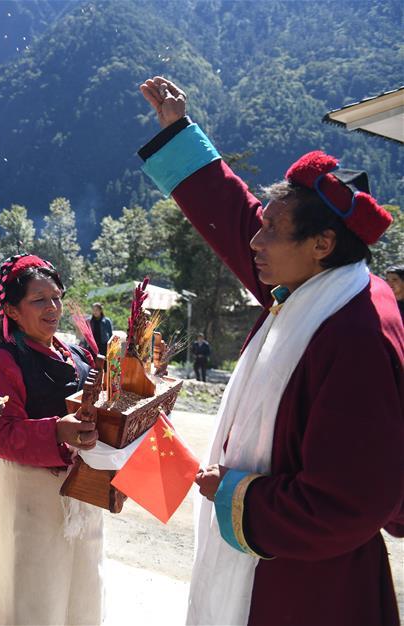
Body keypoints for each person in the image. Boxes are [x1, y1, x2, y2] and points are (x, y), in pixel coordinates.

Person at [138, 76, 403, 625]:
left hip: (309, 587)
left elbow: (349, 503)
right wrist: (181, 132)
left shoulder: (357, 333)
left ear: (321, 244)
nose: (254, 244)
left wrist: (236, 495)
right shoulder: (316, 287)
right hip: (291, 570)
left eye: (271, 232)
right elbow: (235, 218)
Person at [0, 253, 105, 626]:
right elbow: (1, 436)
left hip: (81, 497)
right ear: (10, 310)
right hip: (30, 500)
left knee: (81, 597)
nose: (53, 307)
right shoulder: (1, 364)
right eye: (39, 300)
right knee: (33, 599)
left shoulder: (75, 354)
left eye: (56, 297)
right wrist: (58, 430)